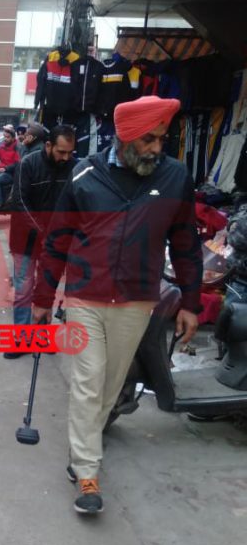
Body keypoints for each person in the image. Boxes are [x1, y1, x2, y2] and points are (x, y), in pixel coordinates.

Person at [31, 97, 203, 515]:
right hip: (85, 297)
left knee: (111, 384)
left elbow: (185, 242)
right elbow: (57, 240)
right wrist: (42, 297)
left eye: (162, 139)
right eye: (149, 139)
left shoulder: (175, 177)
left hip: (136, 299)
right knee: (90, 381)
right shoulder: (85, 174)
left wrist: (191, 302)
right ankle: (87, 470)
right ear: (126, 136)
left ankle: (86, 439)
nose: (157, 148)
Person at [4, 125, 76, 358]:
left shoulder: (73, 167)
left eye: (69, 153)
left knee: (48, 287)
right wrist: (43, 231)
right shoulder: (29, 164)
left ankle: (43, 338)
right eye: (61, 152)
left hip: (55, 243)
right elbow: (20, 202)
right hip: (25, 239)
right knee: (24, 291)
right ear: (48, 145)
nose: (65, 158)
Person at [0, 124, 21, 207]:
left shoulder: (17, 147)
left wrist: (6, 168)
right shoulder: (2, 145)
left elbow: (17, 163)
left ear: (13, 138)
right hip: (0, 170)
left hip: (10, 174)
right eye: (4, 137)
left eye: (8, 137)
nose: (5, 139)